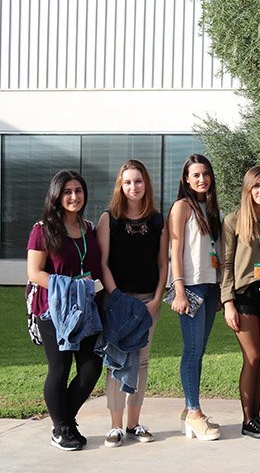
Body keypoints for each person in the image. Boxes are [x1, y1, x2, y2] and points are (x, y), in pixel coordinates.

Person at [27, 170, 113, 451]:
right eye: (67, 192)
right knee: (60, 368)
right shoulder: (43, 229)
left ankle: (65, 420)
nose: (74, 196)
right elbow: (34, 272)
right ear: (57, 196)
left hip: (88, 310)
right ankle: (62, 428)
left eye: (78, 190)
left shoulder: (89, 228)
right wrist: (71, 286)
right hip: (54, 312)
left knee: (91, 368)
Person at [96, 159, 168, 447]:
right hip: (119, 303)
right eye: (127, 182)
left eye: (138, 181)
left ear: (145, 184)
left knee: (141, 362)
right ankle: (114, 427)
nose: (133, 187)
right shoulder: (109, 219)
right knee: (116, 362)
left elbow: (163, 263)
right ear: (120, 185)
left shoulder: (157, 220)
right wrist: (117, 298)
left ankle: (133, 424)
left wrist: (157, 298)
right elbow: (102, 263)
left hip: (149, 302)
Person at [220, 166, 260, 440]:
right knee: (252, 356)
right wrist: (227, 302)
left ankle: (257, 416)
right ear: (247, 189)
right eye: (256, 187)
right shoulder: (233, 220)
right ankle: (247, 420)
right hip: (244, 294)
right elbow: (225, 263)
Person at [169, 154, 223, 441]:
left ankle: (189, 410)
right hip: (190, 288)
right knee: (191, 352)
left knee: (198, 352)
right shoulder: (181, 207)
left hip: (210, 287)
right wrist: (179, 290)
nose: (202, 179)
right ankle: (193, 412)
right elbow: (175, 252)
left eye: (205, 174)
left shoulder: (210, 208)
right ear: (186, 179)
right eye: (196, 175)